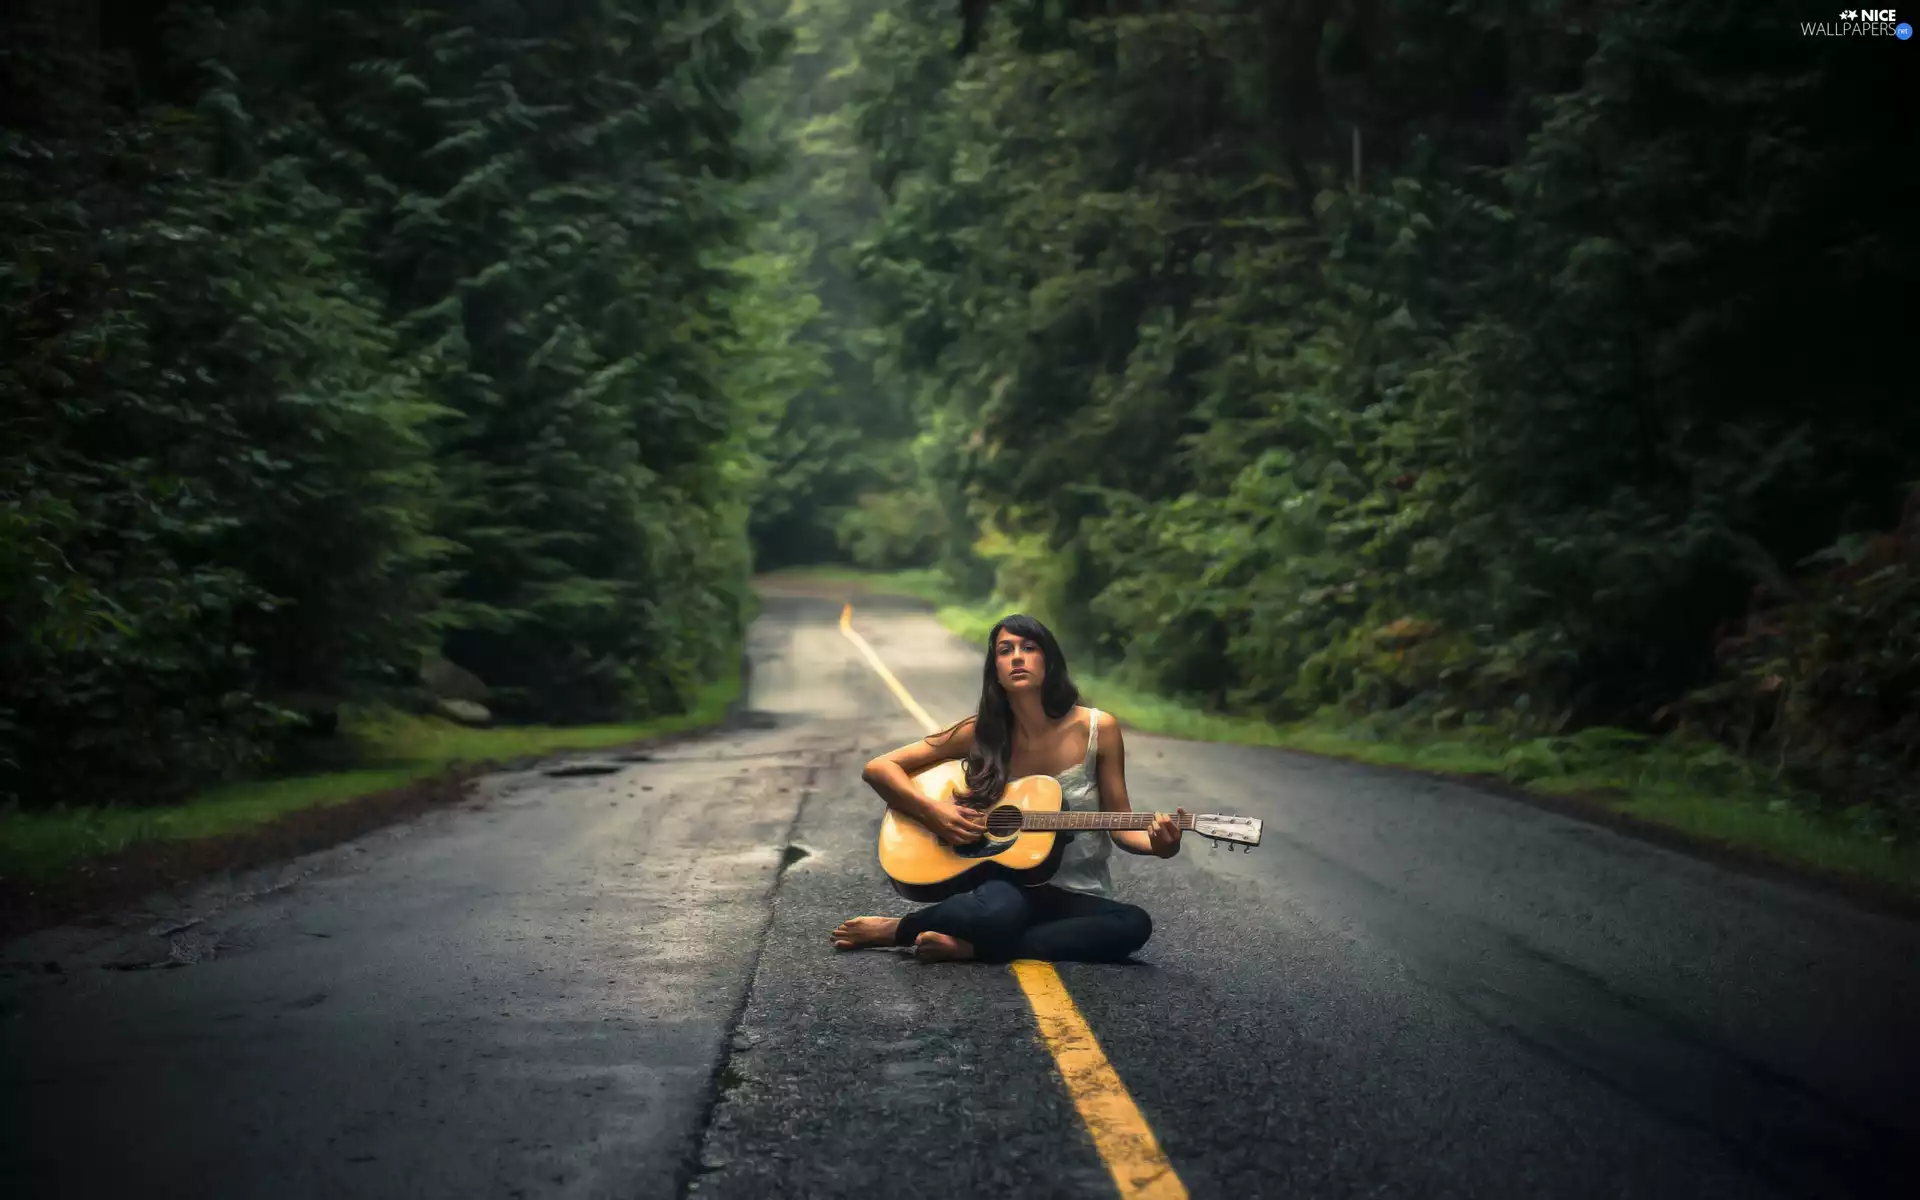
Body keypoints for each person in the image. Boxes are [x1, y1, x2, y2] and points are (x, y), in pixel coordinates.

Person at [830, 613, 1183, 963]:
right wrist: (933, 812)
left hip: (1075, 894)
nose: (1017, 656)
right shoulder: (980, 732)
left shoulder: (1098, 728)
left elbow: (1120, 822)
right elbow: (879, 768)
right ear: (995, 670)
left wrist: (1158, 845)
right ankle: (901, 928)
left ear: (1049, 661)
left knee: (1133, 923)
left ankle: (976, 947)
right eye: (1005, 650)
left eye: (1029, 647)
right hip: (1008, 887)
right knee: (996, 911)